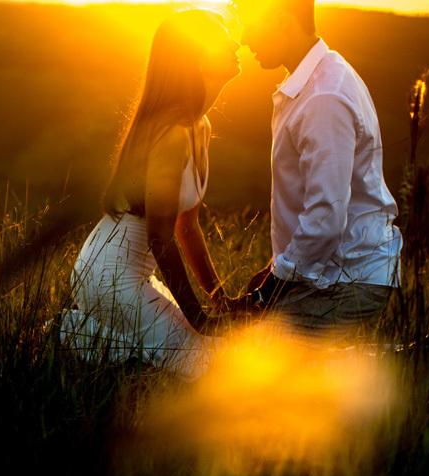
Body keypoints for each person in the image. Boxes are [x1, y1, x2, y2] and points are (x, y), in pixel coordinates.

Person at [62, 8, 247, 379]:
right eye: (221, 37)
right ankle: (73, 334)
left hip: (135, 275)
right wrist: (198, 318)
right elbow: (161, 238)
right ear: (194, 56)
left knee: (216, 353)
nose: (235, 42)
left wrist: (219, 300)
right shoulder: (172, 131)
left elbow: (186, 227)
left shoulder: (200, 126)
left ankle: (91, 336)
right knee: (205, 366)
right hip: (108, 275)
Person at [238, 0, 401, 338]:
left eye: (249, 24)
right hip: (331, 272)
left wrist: (273, 286)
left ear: (282, 21)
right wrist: (274, 271)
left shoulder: (323, 97)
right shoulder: (319, 76)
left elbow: (325, 217)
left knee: (251, 352)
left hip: (348, 279)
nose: (243, 38)